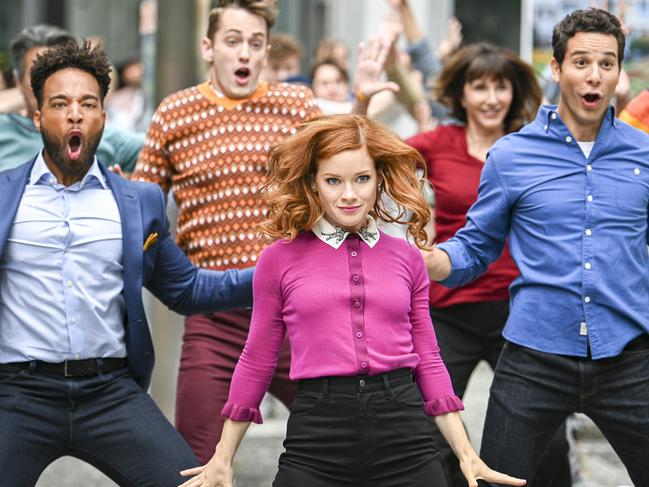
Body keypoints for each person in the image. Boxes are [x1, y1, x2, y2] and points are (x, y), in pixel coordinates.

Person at [179, 114, 526, 487]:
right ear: (313, 183)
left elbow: (427, 356)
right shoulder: (277, 260)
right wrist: (223, 456)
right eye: (333, 181)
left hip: (404, 432)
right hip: (317, 434)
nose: (349, 194)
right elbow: (257, 358)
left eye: (362, 178)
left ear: (379, 179)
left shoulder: (408, 257)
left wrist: (465, 453)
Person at [133, 0, 397, 464]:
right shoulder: (175, 113)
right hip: (214, 316)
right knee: (197, 461)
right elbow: (143, 207)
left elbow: (343, 165)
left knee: (354, 440)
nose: (244, 55)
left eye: (255, 44)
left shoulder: (295, 104)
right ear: (208, 47)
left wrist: (360, 103)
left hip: (297, 311)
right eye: (233, 42)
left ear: (266, 50)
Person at [0, 40, 255, 486]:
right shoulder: (4, 195)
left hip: (109, 391)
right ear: (38, 117)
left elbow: (186, 289)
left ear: (103, 116)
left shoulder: (138, 201)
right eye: (60, 104)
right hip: (17, 394)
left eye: (88, 103)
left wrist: (277, 271)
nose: (74, 114)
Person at [422, 8, 649, 486]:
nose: (594, 75)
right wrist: (432, 260)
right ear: (557, 68)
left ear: (618, 72)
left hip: (630, 357)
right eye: (581, 62)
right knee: (499, 480)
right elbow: (475, 248)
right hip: (533, 358)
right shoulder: (512, 155)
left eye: (607, 64)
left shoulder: (642, 154)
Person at [406, 43, 573, 487]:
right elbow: (364, 159)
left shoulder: (534, 144)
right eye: (479, 87)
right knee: (431, 434)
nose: (491, 98)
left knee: (549, 441)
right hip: (447, 309)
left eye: (501, 87)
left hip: (518, 311)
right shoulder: (436, 144)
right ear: (461, 95)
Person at [0, 24, 144, 172]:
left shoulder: (98, 135)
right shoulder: (4, 130)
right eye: (38, 76)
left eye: (61, 74)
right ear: (18, 81)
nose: (53, 85)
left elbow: (161, 146)